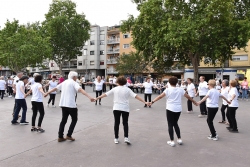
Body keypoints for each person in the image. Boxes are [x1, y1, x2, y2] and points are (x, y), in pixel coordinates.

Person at [94, 76, 149, 144]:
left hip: (116, 108)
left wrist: (96, 98)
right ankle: (126, 137)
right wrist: (145, 102)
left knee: (116, 123)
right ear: (125, 82)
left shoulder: (115, 89)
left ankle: (116, 138)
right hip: (125, 108)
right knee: (125, 123)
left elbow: (105, 94)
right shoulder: (127, 89)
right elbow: (136, 96)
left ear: (117, 82)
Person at [45, 71, 95, 142]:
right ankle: (69, 135)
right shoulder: (74, 83)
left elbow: (55, 88)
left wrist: (47, 92)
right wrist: (89, 97)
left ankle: (60, 136)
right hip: (71, 105)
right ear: (74, 77)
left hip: (63, 104)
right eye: (76, 77)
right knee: (74, 119)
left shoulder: (64, 82)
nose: (76, 78)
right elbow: (80, 89)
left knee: (63, 120)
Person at [150, 77, 198, 147]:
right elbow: (188, 96)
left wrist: (152, 102)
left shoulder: (168, 90)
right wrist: (194, 101)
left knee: (170, 124)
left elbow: (160, 96)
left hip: (170, 108)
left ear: (169, 83)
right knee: (175, 123)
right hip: (178, 109)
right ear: (177, 82)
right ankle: (179, 139)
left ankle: (172, 141)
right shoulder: (180, 90)